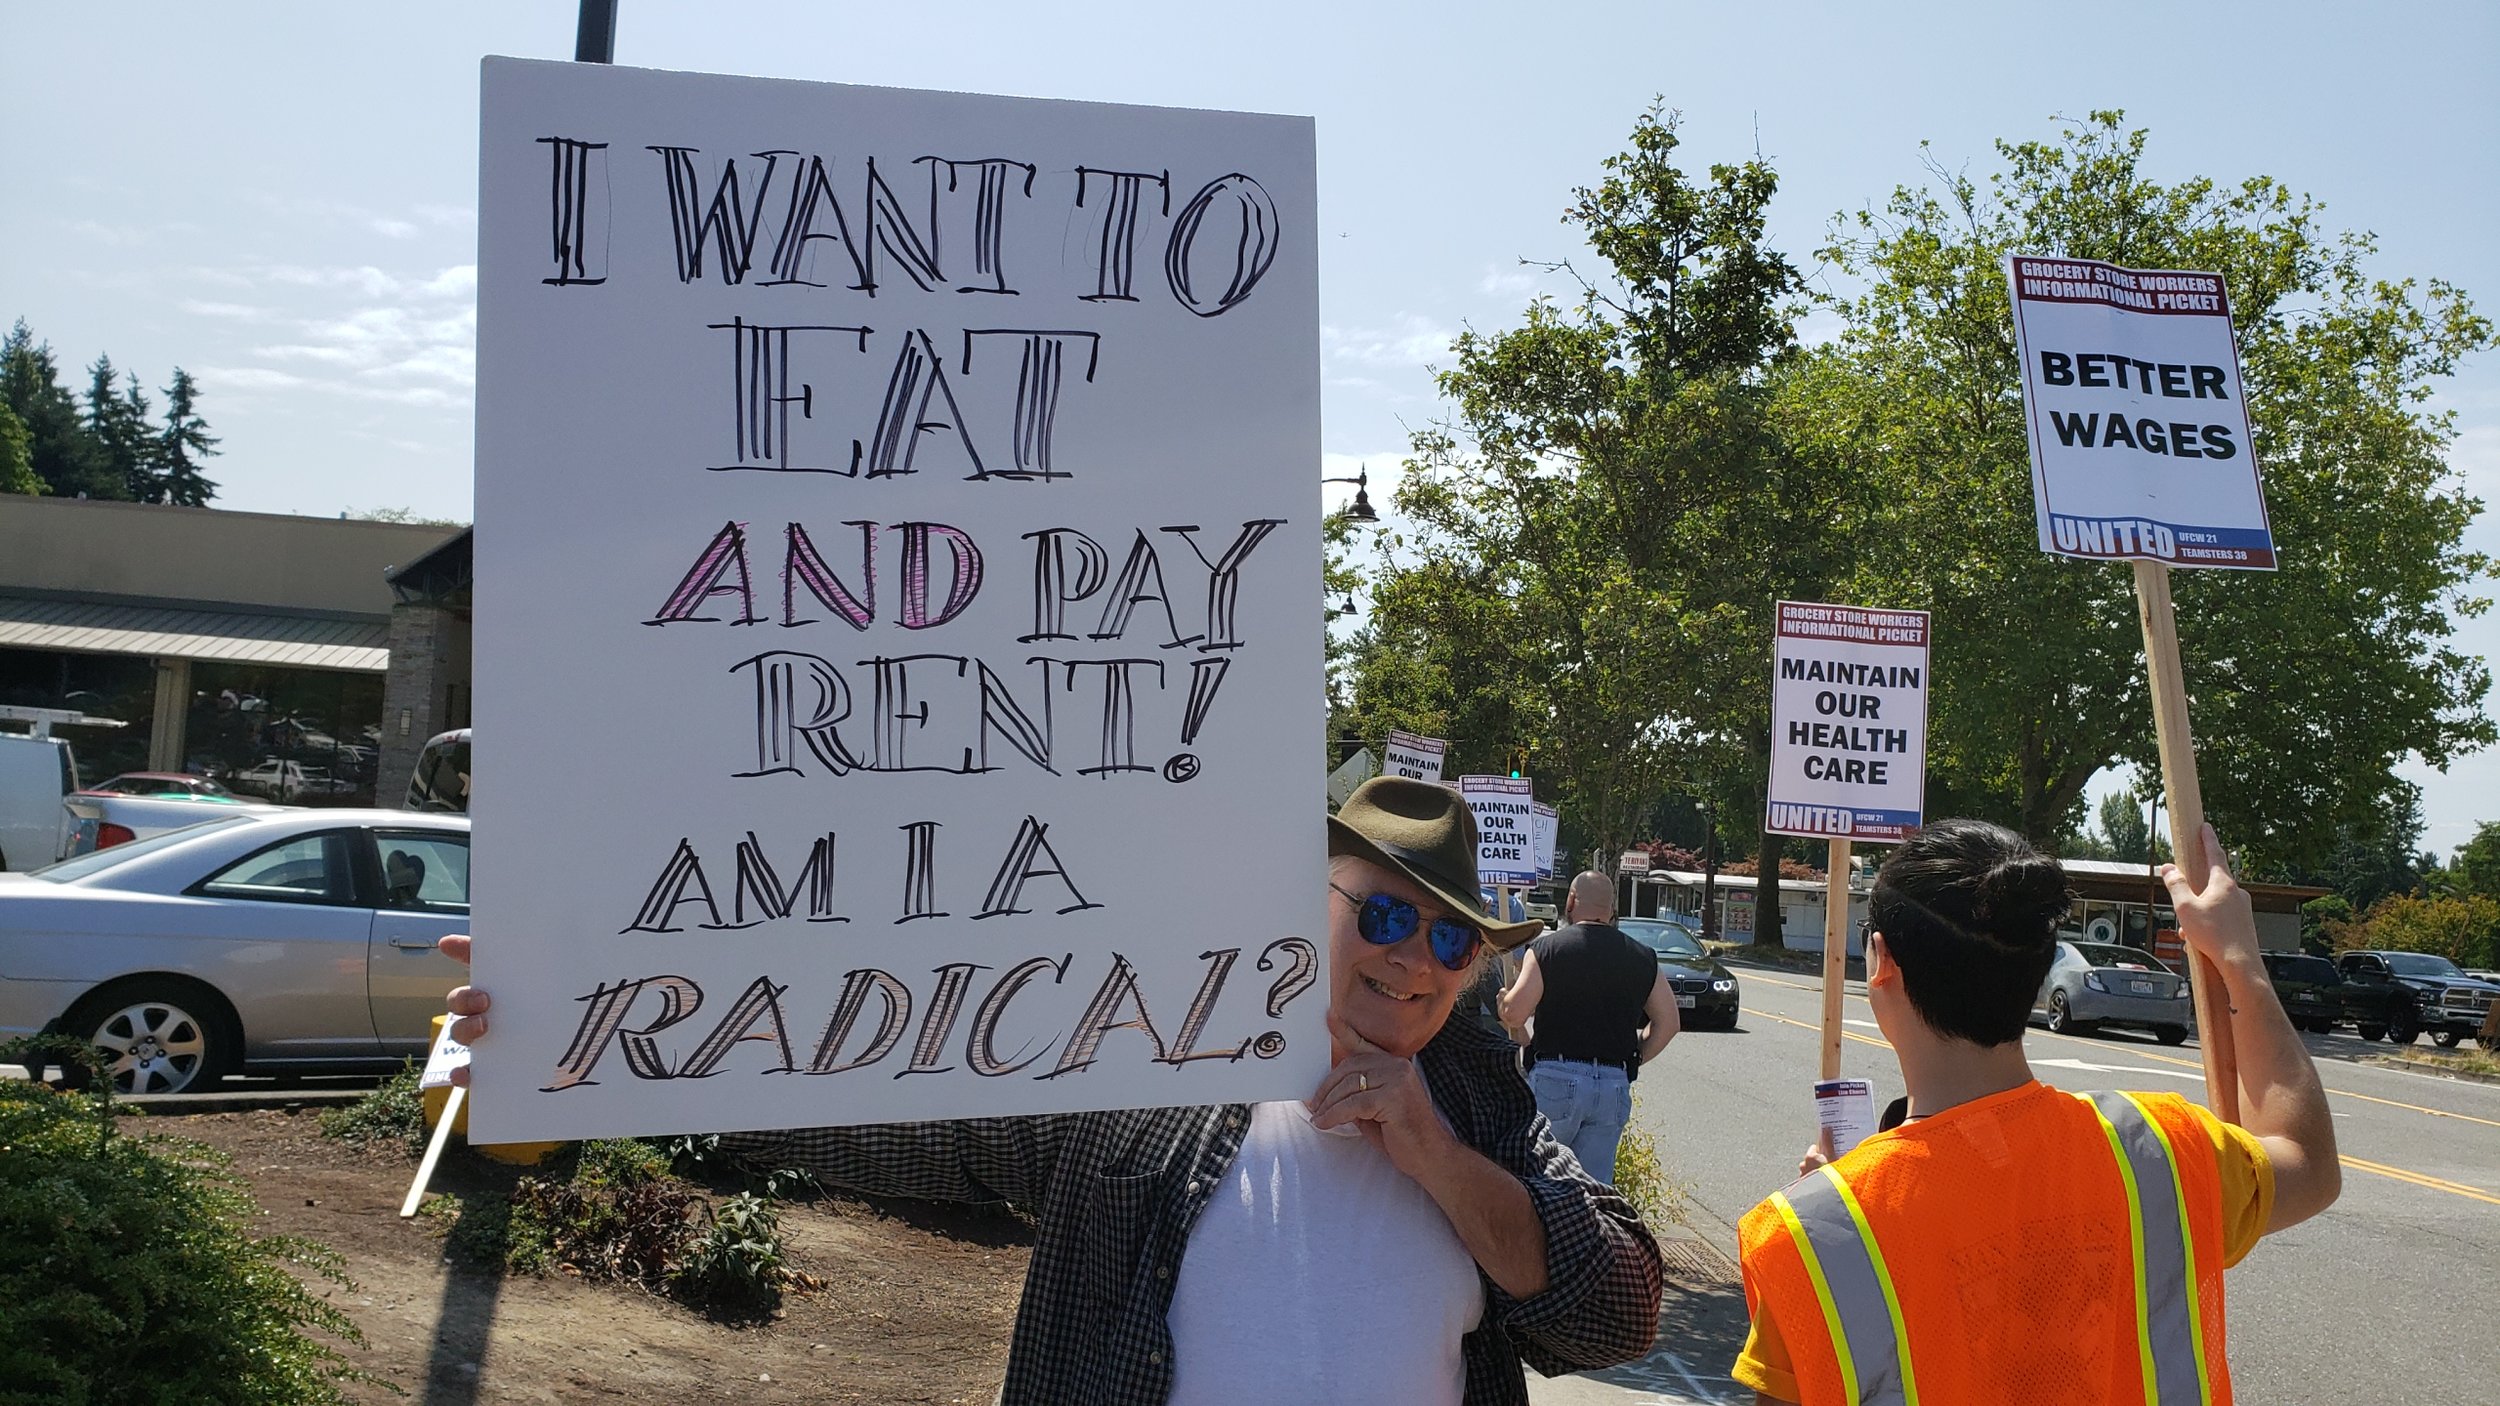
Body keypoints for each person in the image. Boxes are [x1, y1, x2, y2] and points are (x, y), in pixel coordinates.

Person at [442, 776, 1664, 1405]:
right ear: (1311, 898)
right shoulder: (1138, 1055)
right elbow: (882, 1104)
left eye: (1456, 943)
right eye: (1389, 915)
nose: (1417, 958)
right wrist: (583, 1036)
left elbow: (1618, 1311)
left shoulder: (1481, 1104)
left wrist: (1439, 1160)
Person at [1732, 819, 2339, 1405]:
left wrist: (1845, 1206)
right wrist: (2239, 958)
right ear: (2039, 965)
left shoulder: (1808, 1239)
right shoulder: (2162, 1150)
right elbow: (2309, 1164)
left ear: (1882, 961)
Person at [1496, 871, 1680, 1181]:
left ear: (1570, 901)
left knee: (1541, 1180)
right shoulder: (1642, 957)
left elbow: (1516, 1014)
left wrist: (1504, 1001)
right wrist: (1635, 1057)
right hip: (1613, 1083)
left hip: (1556, 1076)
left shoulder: (1547, 950)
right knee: (1594, 1190)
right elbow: (1669, 1023)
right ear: (1611, 909)